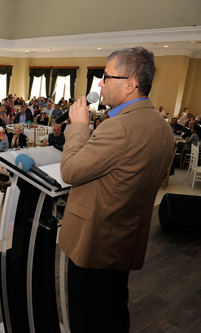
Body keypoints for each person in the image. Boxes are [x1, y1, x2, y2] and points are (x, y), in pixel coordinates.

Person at [59, 47, 174, 333]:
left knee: (87, 319)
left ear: (130, 84)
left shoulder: (117, 128)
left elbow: (70, 170)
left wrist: (79, 128)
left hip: (94, 242)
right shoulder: (163, 129)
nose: (100, 83)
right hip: (124, 239)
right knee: (112, 312)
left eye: (107, 76)